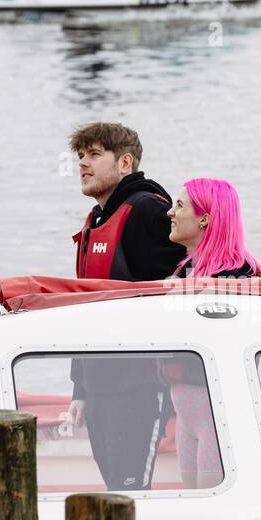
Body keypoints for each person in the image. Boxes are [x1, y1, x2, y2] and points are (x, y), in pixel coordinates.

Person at [67, 122, 183, 491]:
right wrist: (80, 389)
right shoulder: (97, 221)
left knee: (131, 490)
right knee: (115, 487)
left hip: (141, 386)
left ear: (125, 162)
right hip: (101, 381)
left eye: (94, 154)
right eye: (80, 156)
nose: (83, 163)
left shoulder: (148, 210)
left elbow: (180, 289)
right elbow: (85, 309)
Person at [164, 177, 261, 488]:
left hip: (217, 417)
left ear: (205, 218)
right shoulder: (184, 272)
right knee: (191, 497)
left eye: (179, 205)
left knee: (212, 497)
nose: (170, 212)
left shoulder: (242, 279)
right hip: (184, 414)